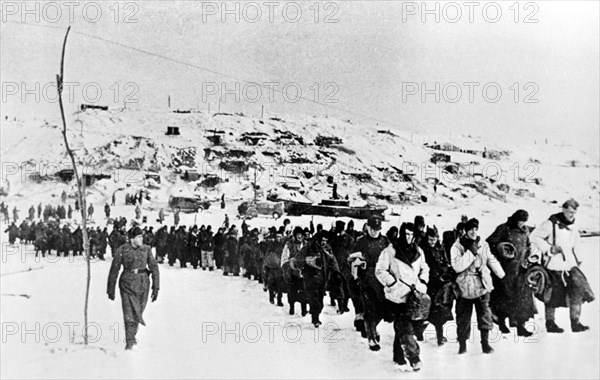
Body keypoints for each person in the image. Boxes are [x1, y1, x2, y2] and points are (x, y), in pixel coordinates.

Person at [530, 199, 594, 333]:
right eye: (570, 212)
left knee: (577, 293)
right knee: (552, 295)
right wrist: (549, 249)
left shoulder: (574, 225)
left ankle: (575, 323)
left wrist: (579, 259)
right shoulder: (550, 224)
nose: (572, 215)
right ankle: (550, 323)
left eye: (574, 212)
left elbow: (576, 243)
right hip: (553, 265)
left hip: (570, 266)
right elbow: (534, 237)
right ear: (563, 210)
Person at [376, 222, 429, 372]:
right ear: (401, 234)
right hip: (397, 296)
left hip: (414, 295)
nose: (409, 237)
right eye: (406, 234)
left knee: (405, 327)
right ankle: (414, 358)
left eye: (412, 234)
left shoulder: (418, 251)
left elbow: (424, 268)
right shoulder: (390, 251)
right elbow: (380, 270)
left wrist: (423, 282)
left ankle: (398, 356)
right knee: (405, 327)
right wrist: (392, 283)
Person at [451, 218, 505, 354]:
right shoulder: (457, 247)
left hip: (481, 284)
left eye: (476, 229)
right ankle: (462, 344)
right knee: (463, 317)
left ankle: (485, 343)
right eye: (471, 230)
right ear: (465, 231)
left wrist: (502, 275)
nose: (474, 232)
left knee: (485, 314)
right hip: (464, 286)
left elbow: (490, 258)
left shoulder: (482, 244)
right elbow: (458, 267)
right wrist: (471, 252)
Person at [107, 227, 160, 350]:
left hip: (143, 284)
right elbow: (114, 269)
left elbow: (154, 267)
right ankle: (130, 341)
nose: (142, 238)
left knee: (138, 312)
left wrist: (156, 287)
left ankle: (132, 335)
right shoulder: (123, 249)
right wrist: (111, 289)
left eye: (142, 236)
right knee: (129, 313)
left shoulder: (146, 249)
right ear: (132, 239)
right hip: (127, 283)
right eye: (139, 237)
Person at [487, 209, 536, 336]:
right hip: (505, 270)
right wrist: (501, 250)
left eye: (524, 222)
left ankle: (521, 326)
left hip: (520, 269)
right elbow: (489, 243)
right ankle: (502, 324)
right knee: (504, 298)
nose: (521, 224)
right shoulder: (504, 228)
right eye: (520, 221)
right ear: (515, 219)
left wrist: (530, 253)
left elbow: (528, 245)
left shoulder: (525, 231)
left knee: (521, 299)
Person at [350, 215, 390, 350]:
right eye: (372, 229)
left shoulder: (385, 241)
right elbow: (351, 258)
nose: (375, 232)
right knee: (370, 308)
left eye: (377, 229)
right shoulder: (361, 241)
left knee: (382, 309)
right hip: (366, 280)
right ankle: (372, 337)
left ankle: (372, 327)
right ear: (367, 227)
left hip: (382, 281)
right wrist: (358, 261)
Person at [420, 226, 455, 345]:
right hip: (429, 285)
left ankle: (439, 336)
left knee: (440, 312)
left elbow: (446, 262)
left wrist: (446, 272)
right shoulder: (423, 249)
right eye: (430, 239)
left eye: (434, 239)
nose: (432, 242)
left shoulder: (441, 248)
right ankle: (421, 332)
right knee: (428, 311)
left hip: (441, 284)